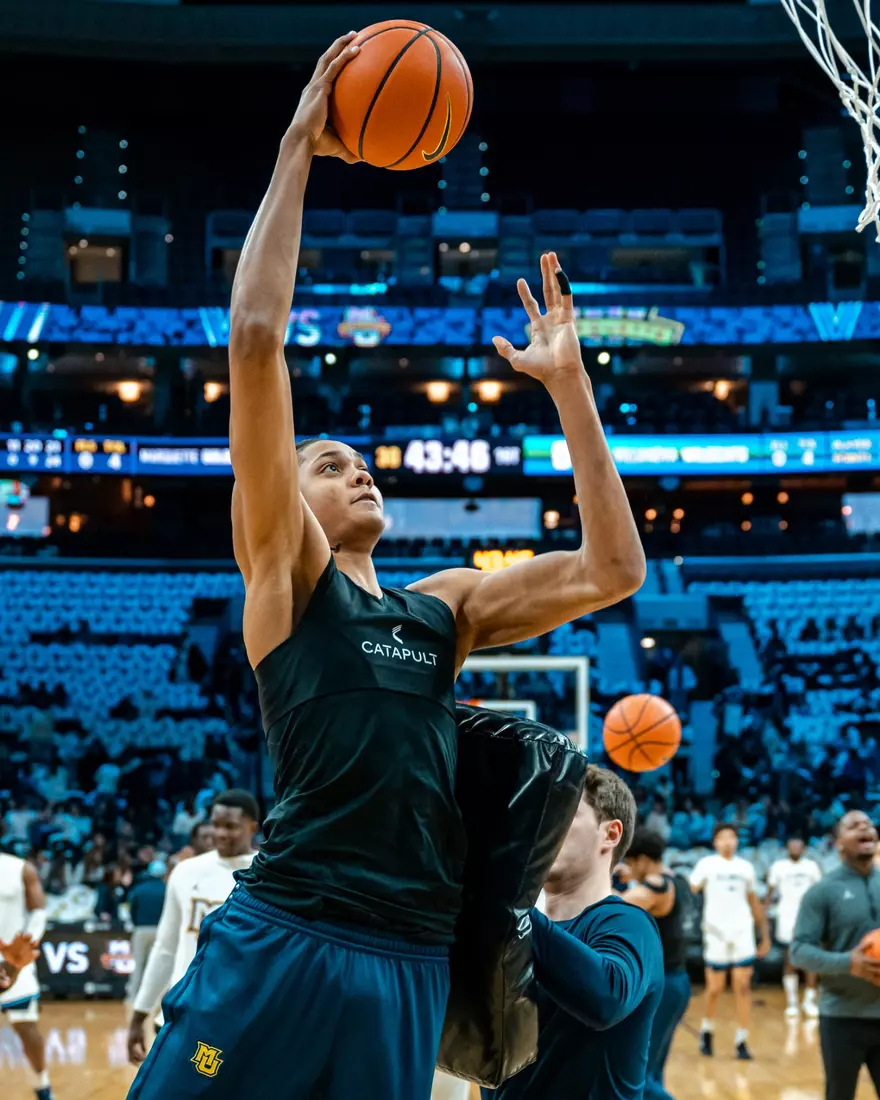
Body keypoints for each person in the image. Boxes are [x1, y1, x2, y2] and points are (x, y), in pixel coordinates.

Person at [126, 32, 645, 1100]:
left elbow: (611, 568)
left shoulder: (440, 608)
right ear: (283, 496)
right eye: (327, 461)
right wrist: (300, 144)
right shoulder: (285, 575)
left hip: (410, 957)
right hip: (286, 931)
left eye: (361, 460)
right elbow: (257, 337)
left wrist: (570, 389)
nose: (354, 469)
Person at [482, 766, 662, 1099]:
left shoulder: (629, 924)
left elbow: (606, 999)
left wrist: (503, 903)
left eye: (562, 811)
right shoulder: (512, 926)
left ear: (610, 834)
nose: (542, 825)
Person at [127, 791, 259, 1065]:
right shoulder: (186, 873)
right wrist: (140, 1013)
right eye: (216, 824)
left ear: (252, 827)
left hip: (240, 1018)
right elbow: (165, 947)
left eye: (231, 826)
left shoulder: (266, 876)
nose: (220, 833)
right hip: (181, 1013)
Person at [790, 810, 880, 1100]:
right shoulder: (822, 891)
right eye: (854, 826)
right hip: (841, 1018)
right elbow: (799, 952)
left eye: (868, 824)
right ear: (839, 842)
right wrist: (848, 963)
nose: (865, 828)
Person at [690, 822, 771, 1060]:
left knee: (743, 986)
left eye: (732, 837)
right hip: (715, 931)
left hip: (741, 931)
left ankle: (741, 1039)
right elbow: (690, 891)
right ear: (715, 841)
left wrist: (764, 935)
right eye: (723, 837)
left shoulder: (746, 868)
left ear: (737, 841)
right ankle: (707, 1029)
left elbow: (754, 902)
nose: (727, 841)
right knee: (714, 988)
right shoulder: (706, 865)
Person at [622, 827, 691, 1100]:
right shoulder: (674, 879)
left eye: (629, 860)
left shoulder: (651, 890)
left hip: (664, 986)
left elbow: (609, 906)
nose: (627, 866)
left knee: (639, 1076)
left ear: (643, 860)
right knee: (653, 1070)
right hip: (676, 982)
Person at [0, 850, 53, 1100]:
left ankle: (42, 1087)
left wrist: (25, 948)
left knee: (26, 1027)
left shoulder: (20, 868)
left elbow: (39, 911)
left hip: (14, 962)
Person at [767, 834, 822, 1019]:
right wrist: (763, 915)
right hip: (786, 917)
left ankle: (809, 1000)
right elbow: (770, 893)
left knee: (811, 959)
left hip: (809, 918)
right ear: (787, 847)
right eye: (792, 844)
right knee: (790, 959)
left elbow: (820, 892)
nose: (795, 848)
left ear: (804, 848)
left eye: (799, 845)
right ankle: (792, 1002)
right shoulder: (778, 867)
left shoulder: (811, 867)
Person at [126, 858, 168, 1004]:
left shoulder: (139, 889)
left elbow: (132, 910)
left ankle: (133, 997)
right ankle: (155, 998)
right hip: (160, 931)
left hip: (141, 930)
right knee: (156, 965)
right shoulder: (167, 889)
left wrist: (137, 923)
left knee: (139, 964)